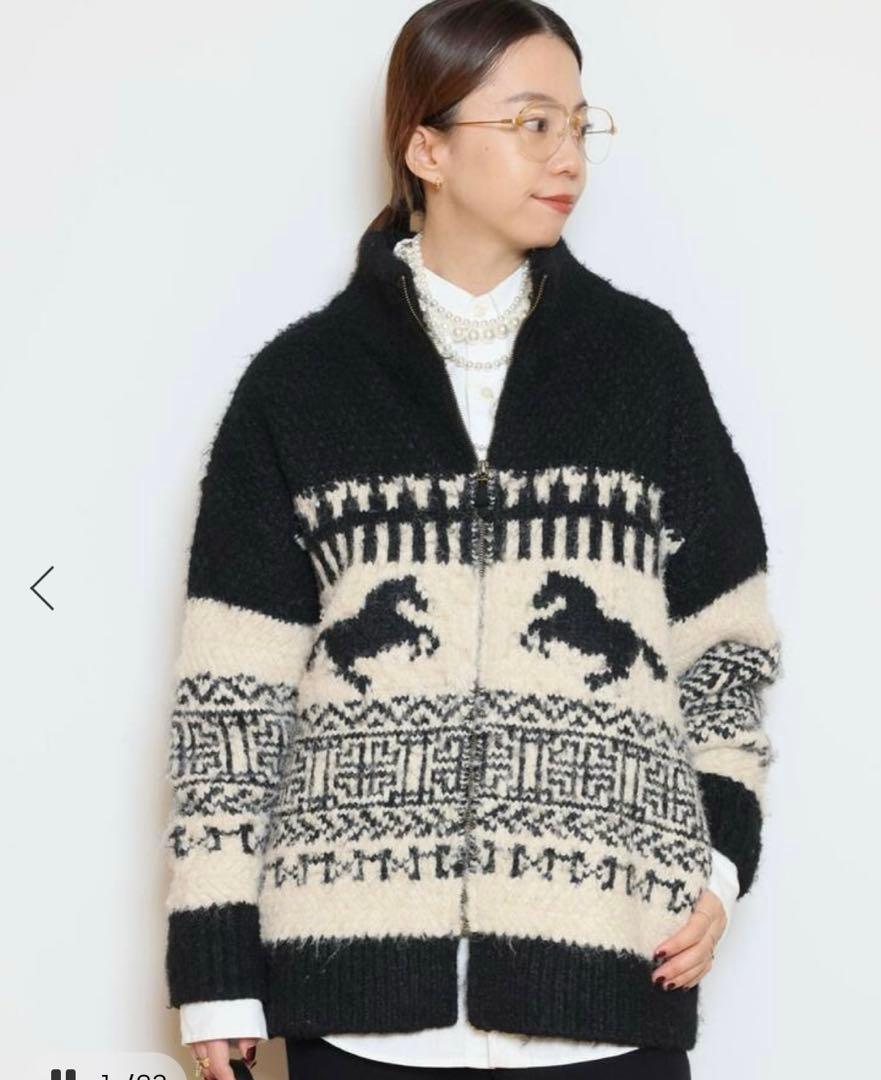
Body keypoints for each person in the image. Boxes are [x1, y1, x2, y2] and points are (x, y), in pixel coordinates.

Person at [161, 2, 783, 1078]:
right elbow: (229, 697)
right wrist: (214, 966)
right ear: (428, 149)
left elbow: (725, 644)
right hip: (357, 1008)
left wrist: (721, 863)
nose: (567, 156)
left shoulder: (643, 367)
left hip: (610, 984)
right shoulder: (301, 386)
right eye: (532, 122)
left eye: (580, 125)